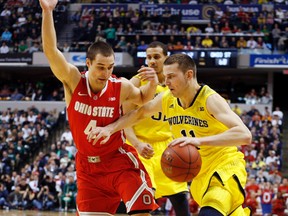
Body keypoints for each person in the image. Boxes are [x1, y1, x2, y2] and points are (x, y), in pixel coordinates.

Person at [90, 53, 253, 216]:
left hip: (225, 167)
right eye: (165, 77)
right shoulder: (167, 99)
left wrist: (198, 141)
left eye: (171, 77)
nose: (166, 82)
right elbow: (139, 114)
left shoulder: (209, 99)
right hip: (200, 175)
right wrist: (110, 129)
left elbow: (245, 134)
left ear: (189, 75)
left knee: (209, 213)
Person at [39, 0, 159, 215]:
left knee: (141, 210)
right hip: (88, 168)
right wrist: (47, 12)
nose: (105, 73)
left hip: (117, 159)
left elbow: (142, 100)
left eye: (110, 67)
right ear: (88, 64)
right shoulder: (73, 80)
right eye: (100, 67)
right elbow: (50, 51)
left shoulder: (119, 86)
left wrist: (153, 83)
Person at [123, 41, 190, 216]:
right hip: (142, 147)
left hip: (168, 146)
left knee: (180, 197)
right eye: (149, 57)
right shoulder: (136, 83)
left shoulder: (176, 84)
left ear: (166, 58)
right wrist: (137, 144)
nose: (152, 61)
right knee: (145, 199)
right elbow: (125, 120)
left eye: (156, 57)